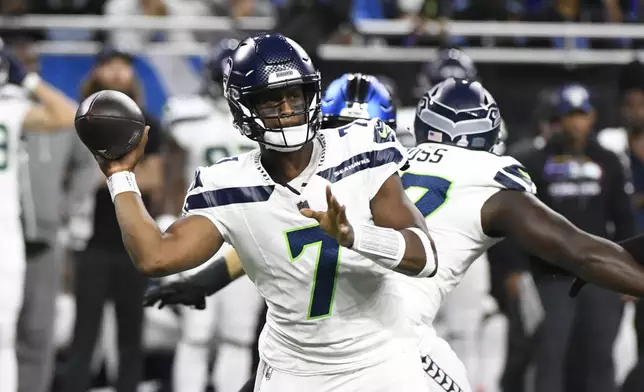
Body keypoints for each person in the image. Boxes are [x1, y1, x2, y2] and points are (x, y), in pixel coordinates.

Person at [147, 77, 644, 392]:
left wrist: (208, 278)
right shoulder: (491, 180)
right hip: (391, 335)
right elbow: (580, 251)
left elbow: (287, 238)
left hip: (312, 331)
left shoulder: (374, 163)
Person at [92, 33, 437, 391]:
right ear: (244, 108)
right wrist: (120, 177)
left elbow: (424, 256)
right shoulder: (225, 183)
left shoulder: (361, 147)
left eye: (294, 95)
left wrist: (354, 236)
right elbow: (155, 257)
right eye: (272, 100)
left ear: (312, 95)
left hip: (380, 360)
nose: (287, 109)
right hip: (293, 369)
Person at [515, 83, 634, 392]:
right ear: (560, 118)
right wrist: (519, 269)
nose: (577, 123)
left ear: (593, 117)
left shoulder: (609, 161)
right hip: (552, 275)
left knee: (599, 355)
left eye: (583, 115)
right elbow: (519, 219)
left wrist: (629, 273)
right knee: (550, 353)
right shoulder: (537, 162)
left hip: (601, 275)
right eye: (570, 115)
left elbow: (624, 220)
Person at [160, 37, 263, 392]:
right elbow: (172, 176)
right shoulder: (189, 115)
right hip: (199, 231)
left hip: (249, 235)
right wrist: (166, 223)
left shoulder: (261, 117)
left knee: (237, 335)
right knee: (196, 333)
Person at [62, 46, 164, 392]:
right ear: (97, 72)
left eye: (125, 67)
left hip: (132, 243)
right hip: (88, 241)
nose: (119, 74)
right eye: (111, 66)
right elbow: (68, 179)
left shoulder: (149, 121)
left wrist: (104, 170)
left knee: (131, 336)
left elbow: (155, 178)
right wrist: (123, 169)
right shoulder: (76, 123)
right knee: (83, 335)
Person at [0, 39, 77, 392]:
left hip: (11, 235)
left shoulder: (11, 108)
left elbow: (67, 115)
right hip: (9, 236)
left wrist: (27, 82)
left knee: (8, 339)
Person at [596, 60, 644, 392]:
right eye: (630, 102)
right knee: (608, 355)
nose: (636, 110)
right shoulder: (608, 145)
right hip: (618, 260)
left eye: (642, 101)